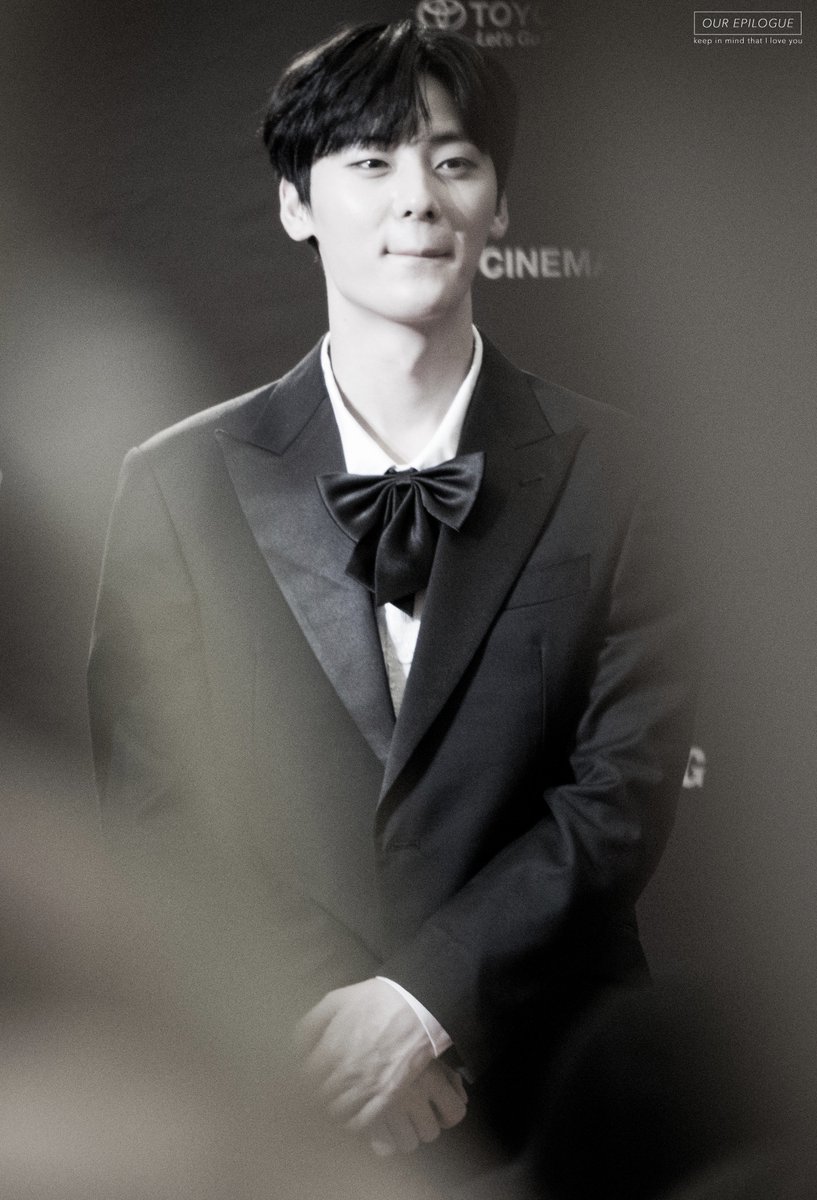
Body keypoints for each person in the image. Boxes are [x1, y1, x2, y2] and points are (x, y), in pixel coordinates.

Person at [88, 17, 696, 1187]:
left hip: (564, 1093)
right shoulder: (171, 484)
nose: (417, 197)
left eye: (454, 160)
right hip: (281, 1093)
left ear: (499, 207)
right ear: (295, 205)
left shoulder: (625, 470)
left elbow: (622, 791)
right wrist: (336, 1029)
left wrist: (421, 1003)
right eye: (371, 161)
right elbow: (158, 811)